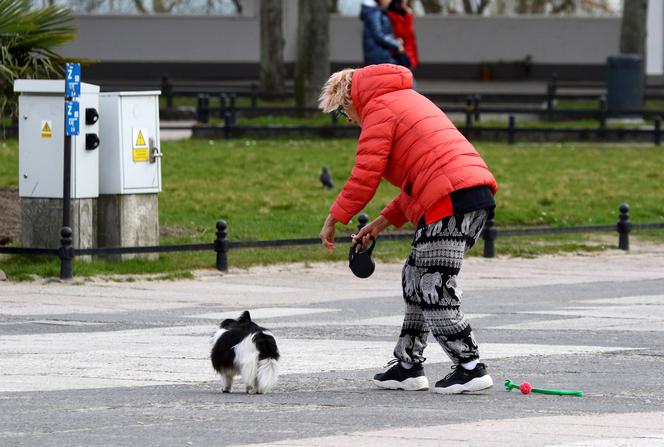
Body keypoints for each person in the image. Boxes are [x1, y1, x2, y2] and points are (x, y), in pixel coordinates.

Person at [318, 64, 498, 394]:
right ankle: (407, 365)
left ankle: (470, 366)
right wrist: (380, 223)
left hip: (451, 199)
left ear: (351, 98)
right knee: (414, 276)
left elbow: (365, 175)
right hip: (466, 194)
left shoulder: (378, 109)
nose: (347, 119)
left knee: (432, 283)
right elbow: (418, 183)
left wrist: (335, 217)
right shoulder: (404, 99)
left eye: (344, 110)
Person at [360, 0, 404, 66]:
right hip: (379, 56)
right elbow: (378, 35)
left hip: (378, 54)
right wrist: (396, 43)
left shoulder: (377, 11)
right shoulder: (374, 13)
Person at [387, 0, 419, 70]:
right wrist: (409, 16)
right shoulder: (393, 15)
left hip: (407, 52)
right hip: (401, 53)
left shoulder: (402, 13)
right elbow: (404, 33)